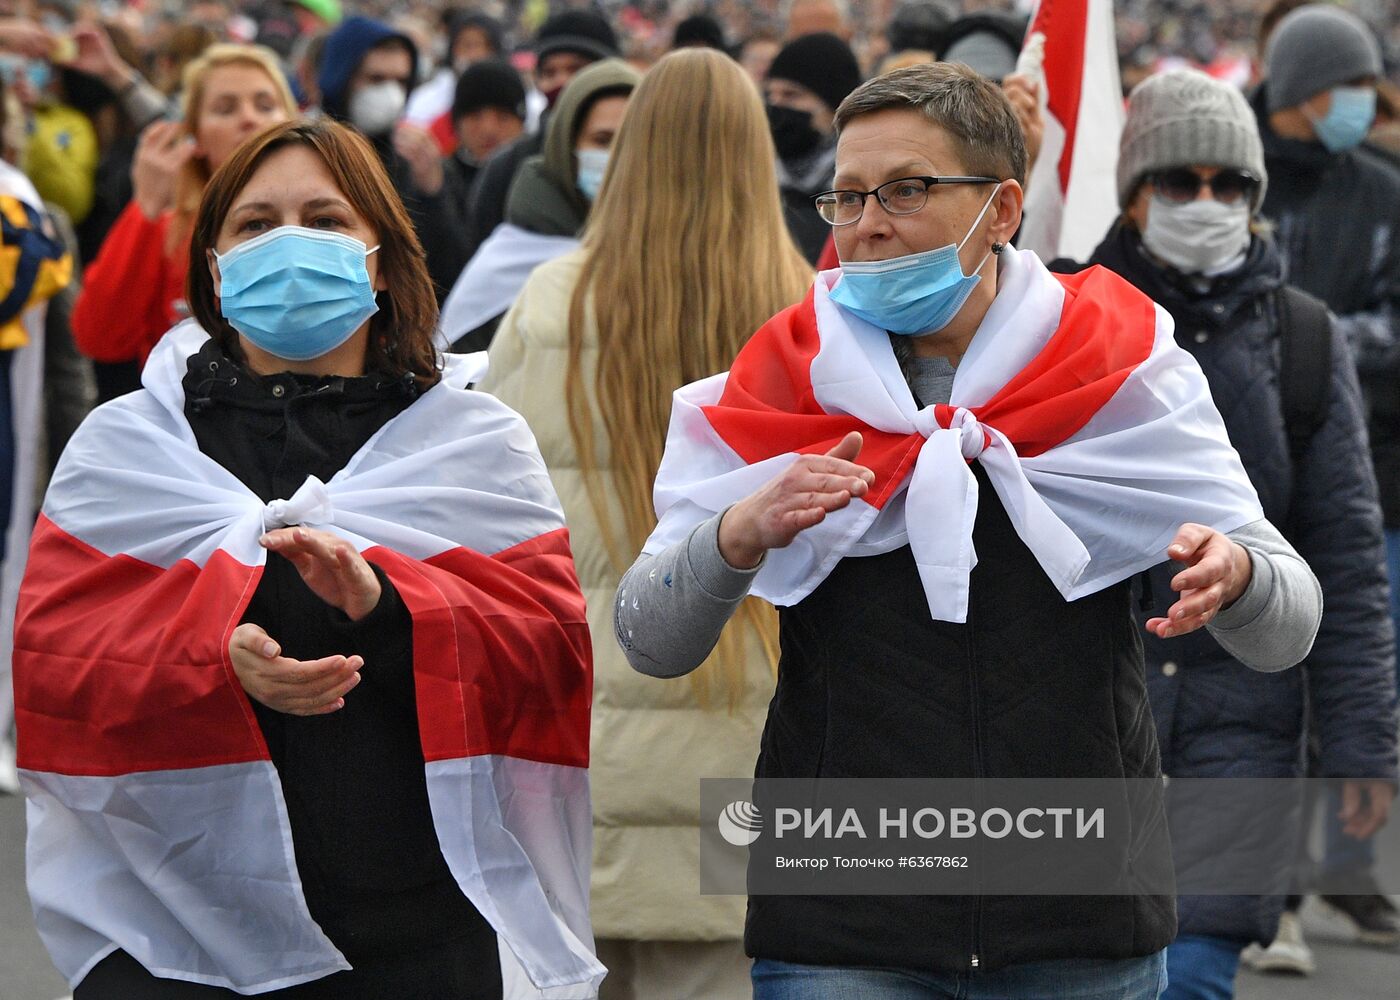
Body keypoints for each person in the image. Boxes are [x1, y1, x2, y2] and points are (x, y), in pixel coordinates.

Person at [616, 62, 1322, 998]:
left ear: (1003, 209)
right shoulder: (781, 381)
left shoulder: (1119, 367)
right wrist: (733, 537)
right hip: (842, 915)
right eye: (847, 196)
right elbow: (647, 639)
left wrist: (1238, 574)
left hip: (1080, 907)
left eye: (906, 191)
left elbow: (1290, 630)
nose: (867, 224)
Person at [14, 116, 601, 999]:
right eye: (254, 225)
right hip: (172, 938)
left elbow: (548, 658)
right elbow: (58, 670)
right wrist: (211, 659)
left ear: (380, 256)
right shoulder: (129, 450)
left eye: (326, 220)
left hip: (416, 936)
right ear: (214, 267)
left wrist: (388, 612)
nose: (289, 242)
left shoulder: (471, 444)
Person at [481, 48, 811, 1000]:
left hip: (574, 749)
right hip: (747, 760)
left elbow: (493, 533)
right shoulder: (810, 320)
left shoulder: (546, 306)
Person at [1066, 68, 1398, 1000]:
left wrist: (1364, 747)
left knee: (1197, 971)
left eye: (1229, 184)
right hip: (1081, 709)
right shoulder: (1062, 317)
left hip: (1245, 713)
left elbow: (1344, 551)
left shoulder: (1304, 337)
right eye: (1179, 182)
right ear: (1133, 192)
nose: (1205, 202)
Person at [1246, 3, 1400, 964]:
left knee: (1361, 679)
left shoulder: (1384, 193)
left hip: (1374, 470)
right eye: (1352, 83)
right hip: (1253, 476)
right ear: (1307, 89)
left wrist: (1319, 344)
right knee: (1260, 682)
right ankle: (1269, 885)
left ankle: (1346, 870)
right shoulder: (1231, 178)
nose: (1366, 103)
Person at [70, 43, 295, 393]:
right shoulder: (168, 230)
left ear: (291, 123)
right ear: (197, 138)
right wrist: (145, 205)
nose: (250, 118)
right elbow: (99, 337)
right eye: (225, 108)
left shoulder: (328, 224)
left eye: (266, 105)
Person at [440, 59, 639, 354]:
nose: (616, 157)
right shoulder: (510, 259)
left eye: (630, 141)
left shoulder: (665, 245)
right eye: (602, 140)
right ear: (567, 146)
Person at [315, 15, 472, 302]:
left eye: (401, 81)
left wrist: (433, 193)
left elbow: (454, 273)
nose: (390, 93)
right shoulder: (305, 154)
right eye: (376, 79)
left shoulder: (416, 159)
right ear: (342, 78)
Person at [467, 10, 619, 258]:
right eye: (549, 73)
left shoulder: (647, 154)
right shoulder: (507, 167)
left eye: (576, 69)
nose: (561, 82)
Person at [764, 31, 862, 263]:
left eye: (791, 95)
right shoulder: (757, 182)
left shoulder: (860, 195)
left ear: (833, 108)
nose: (776, 107)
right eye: (770, 95)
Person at [443, 57, 526, 220]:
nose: (489, 130)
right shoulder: (438, 183)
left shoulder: (535, 183)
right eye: (475, 117)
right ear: (457, 124)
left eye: (503, 117)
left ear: (522, 124)